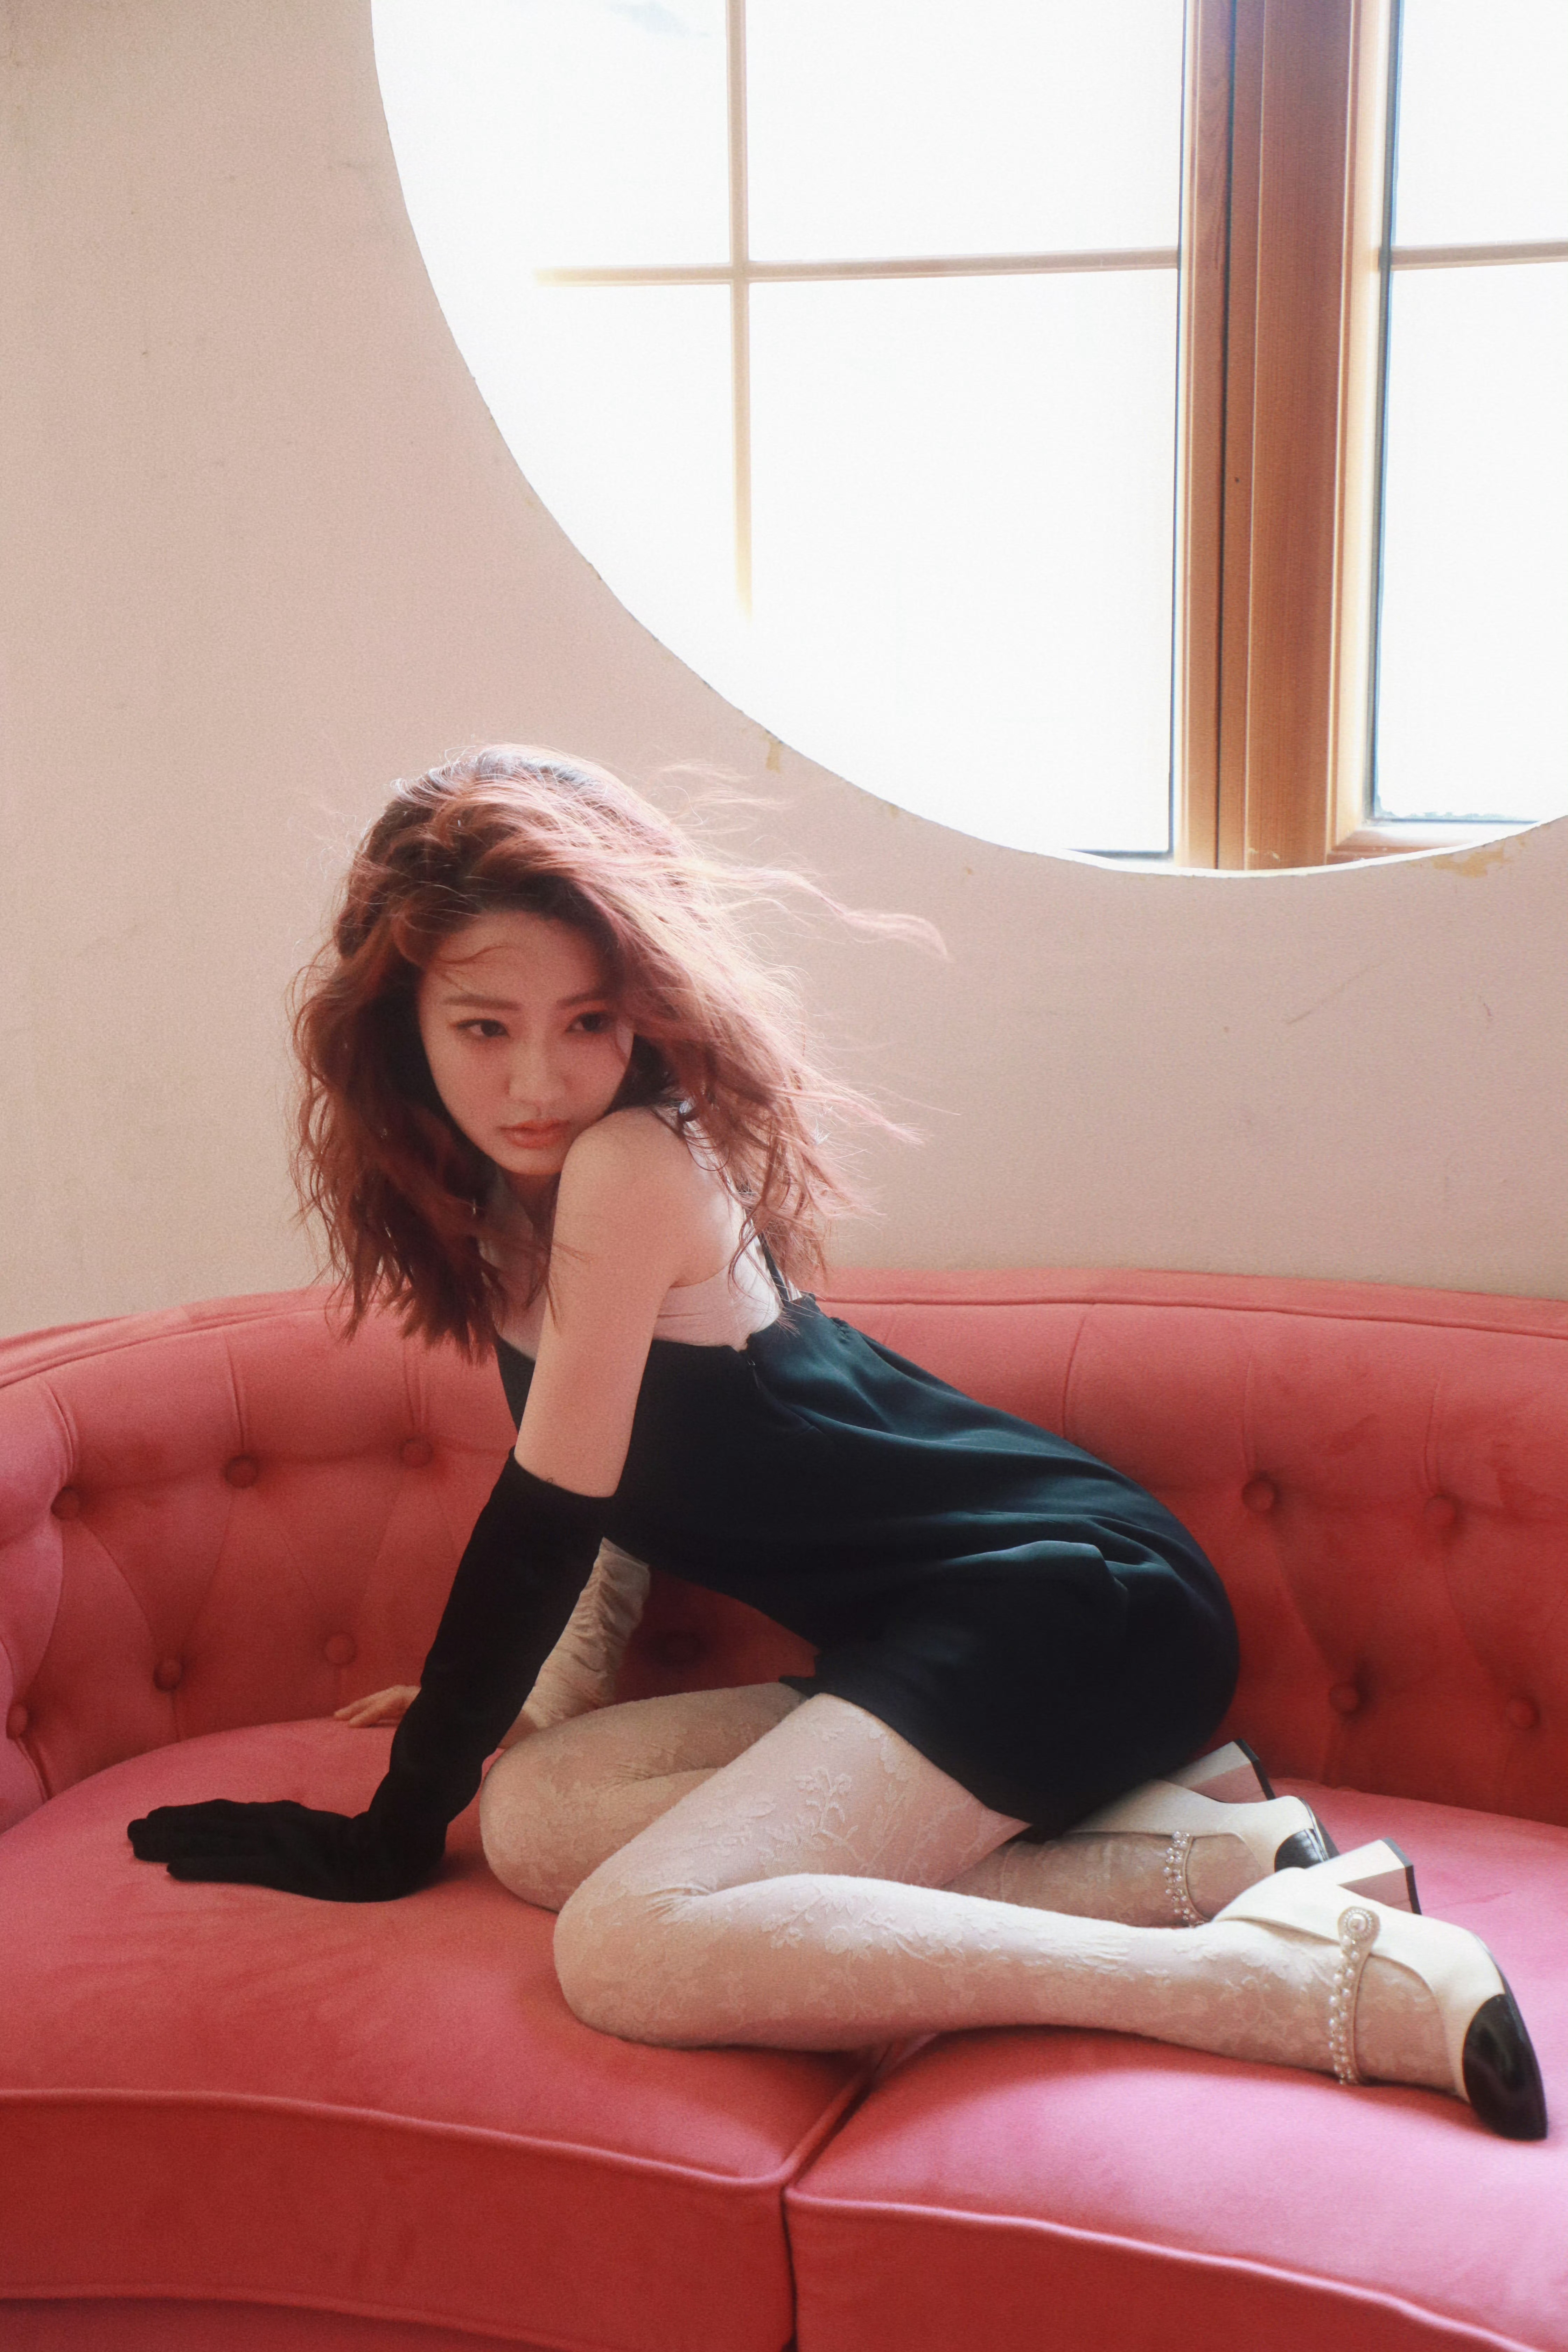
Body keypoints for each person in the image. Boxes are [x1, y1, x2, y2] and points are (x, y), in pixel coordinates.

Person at [130, 746, 1545, 2140]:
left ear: (647, 1011)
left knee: (623, 1946)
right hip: (927, 1641)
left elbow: (546, 1519)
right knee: (533, 1822)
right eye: (484, 1028)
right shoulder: (502, 1209)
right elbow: (607, 1492)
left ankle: (1296, 1981)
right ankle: (1214, 1857)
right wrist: (532, 1718)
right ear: (404, 1030)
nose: (538, 1080)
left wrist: (395, 1822)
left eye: (587, 1022)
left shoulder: (632, 1162)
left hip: (1078, 1605)